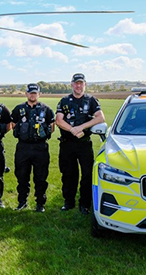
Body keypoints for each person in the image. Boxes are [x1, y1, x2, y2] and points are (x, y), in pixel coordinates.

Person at [56, 73, 105, 215]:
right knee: (68, 174)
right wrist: (73, 130)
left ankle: (85, 204)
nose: (78, 86)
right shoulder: (64, 100)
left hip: (84, 144)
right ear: (71, 84)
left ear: (85, 84)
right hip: (67, 143)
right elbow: (59, 120)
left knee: (87, 174)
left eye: (81, 83)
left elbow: (100, 117)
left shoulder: (91, 100)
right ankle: (68, 202)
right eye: (76, 83)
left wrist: (81, 127)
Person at [10, 83, 55, 213]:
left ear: (39, 94)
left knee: (40, 177)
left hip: (40, 147)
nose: (32, 95)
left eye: (35, 93)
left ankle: (40, 203)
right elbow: (13, 124)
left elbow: (51, 127)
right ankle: (22, 202)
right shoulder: (18, 109)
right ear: (26, 94)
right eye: (30, 93)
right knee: (22, 176)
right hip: (23, 147)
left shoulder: (46, 110)